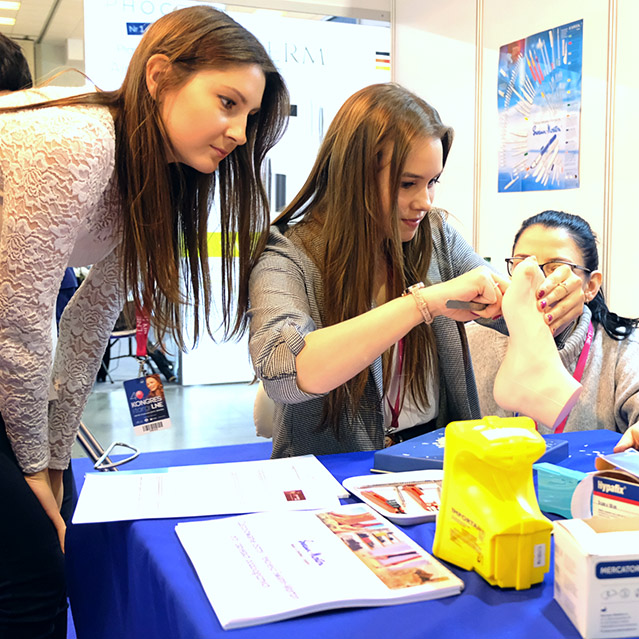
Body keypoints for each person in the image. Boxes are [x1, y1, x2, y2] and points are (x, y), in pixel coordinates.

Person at [0, 7, 289, 637]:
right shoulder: (78, 142)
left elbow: (85, 326)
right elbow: (19, 326)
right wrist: (31, 470)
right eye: (227, 102)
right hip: (6, 338)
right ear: (159, 76)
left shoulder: (154, 175)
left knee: (50, 539)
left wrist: (51, 461)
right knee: (30, 578)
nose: (240, 131)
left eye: (250, 115)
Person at [248, 83, 584, 457]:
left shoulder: (436, 237)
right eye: (408, 184)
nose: (424, 202)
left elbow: (506, 310)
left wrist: (553, 302)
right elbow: (283, 370)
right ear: (352, 175)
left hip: (435, 462)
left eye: (432, 182)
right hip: (332, 473)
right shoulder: (288, 254)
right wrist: (422, 304)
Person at [466, 210, 639, 467]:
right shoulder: (476, 339)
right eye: (523, 266)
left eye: (557, 269)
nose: (539, 281)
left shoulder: (620, 349)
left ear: (590, 286)